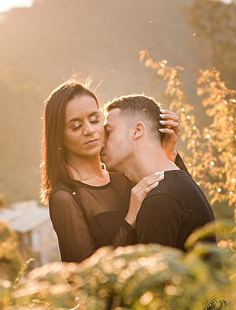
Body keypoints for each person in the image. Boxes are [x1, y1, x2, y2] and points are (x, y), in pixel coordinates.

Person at [40, 81, 181, 263]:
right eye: (76, 126)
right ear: (59, 136)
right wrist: (129, 219)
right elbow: (86, 276)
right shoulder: (65, 198)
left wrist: (167, 154)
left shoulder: (123, 176)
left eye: (94, 120)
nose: (90, 131)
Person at [100, 94, 215, 250]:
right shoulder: (174, 184)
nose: (101, 142)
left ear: (137, 131)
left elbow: (153, 274)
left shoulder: (161, 200)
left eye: (108, 131)